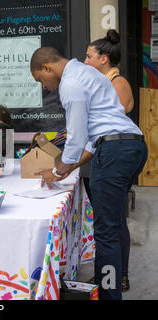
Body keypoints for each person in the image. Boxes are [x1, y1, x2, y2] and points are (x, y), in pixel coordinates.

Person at [30, 47, 148, 300]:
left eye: (41, 79)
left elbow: (76, 134)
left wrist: (58, 168)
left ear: (47, 68)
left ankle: (109, 294)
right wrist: (68, 167)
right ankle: (114, 286)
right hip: (133, 145)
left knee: (105, 233)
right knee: (113, 225)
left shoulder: (70, 83)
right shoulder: (88, 73)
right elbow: (91, 141)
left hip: (114, 150)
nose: (45, 87)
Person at [84, 29, 135, 292]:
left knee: (112, 221)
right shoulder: (101, 83)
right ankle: (110, 279)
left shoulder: (118, 83)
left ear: (104, 59)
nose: (85, 62)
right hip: (99, 155)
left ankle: (116, 279)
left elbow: (112, 116)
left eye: (89, 56)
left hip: (112, 156)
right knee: (108, 220)